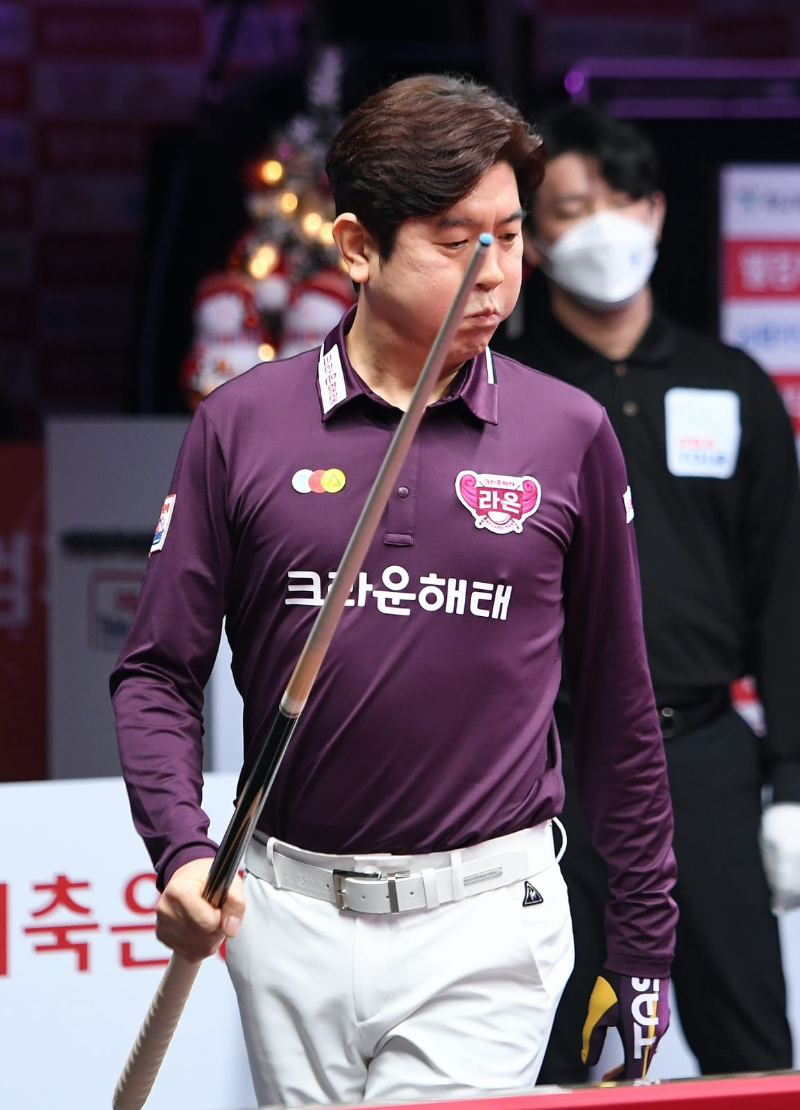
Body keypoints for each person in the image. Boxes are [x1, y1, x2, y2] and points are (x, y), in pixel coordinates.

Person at [111, 76, 677, 1106]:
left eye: (511, 237)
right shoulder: (240, 426)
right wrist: (183, 855)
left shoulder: (568, 434)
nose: (493, 275)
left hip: (485, 921)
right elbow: (157, 673)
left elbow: (617, 705)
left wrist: (643, 943)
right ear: (358, 248)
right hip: (285, 912)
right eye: (456, 244)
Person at [495, 102, 800, 1082]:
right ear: (533, 239)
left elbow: (784, 592)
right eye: (570, 207)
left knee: (753, 1056)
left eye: (620, 199)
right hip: (549, 769)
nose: (602, 226)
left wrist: (791, 783)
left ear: (657, 211)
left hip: (702, 756)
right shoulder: (503, 392)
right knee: (549, 1058)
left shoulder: (731, 384)